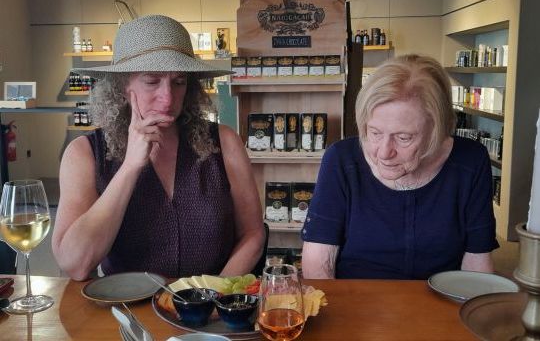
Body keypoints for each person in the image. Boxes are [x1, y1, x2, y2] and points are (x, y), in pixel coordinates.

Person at [52, 15, 265, 281]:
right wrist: (130, 167)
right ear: (122, 86)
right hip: (126, 311)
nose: (167, 98)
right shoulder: (84, 153)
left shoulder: (223, 142)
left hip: (208, 310)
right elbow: (75, 264)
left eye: (179, 82)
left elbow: (253, 235)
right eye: (152, 81)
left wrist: (212, 293)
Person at [301, 54, 499, 279]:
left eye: (404, 138)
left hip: (442, 303)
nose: (384, 152)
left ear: (438, 130)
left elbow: (477, 262)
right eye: (374, 133)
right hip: (356, 303)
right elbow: (318, 260)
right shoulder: (341, 159)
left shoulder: (470, 161)